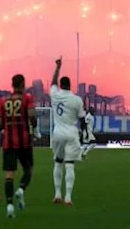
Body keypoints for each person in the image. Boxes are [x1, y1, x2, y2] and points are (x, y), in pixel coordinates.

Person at [49, 58, 85, 206]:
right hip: (71, 133)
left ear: (60, 86)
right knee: (69, 164)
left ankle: (57, 193)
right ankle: (68, 197)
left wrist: (58, 67)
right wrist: (83, 134)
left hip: (57, 134)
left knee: (58, 163)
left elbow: (52, 83)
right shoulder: (76, 99)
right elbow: (82, 120)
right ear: (70, 86)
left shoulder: (55, 95)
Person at [1, 73, 37, 218]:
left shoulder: (4, 101)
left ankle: (9, 205)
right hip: (23, 141)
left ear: (12, 85)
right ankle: (21, 189)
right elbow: (32, 116)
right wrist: (34, 128)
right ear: (23, 84)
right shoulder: (27, 98)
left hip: (8, 142)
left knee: (9, 174)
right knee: (28, 169)